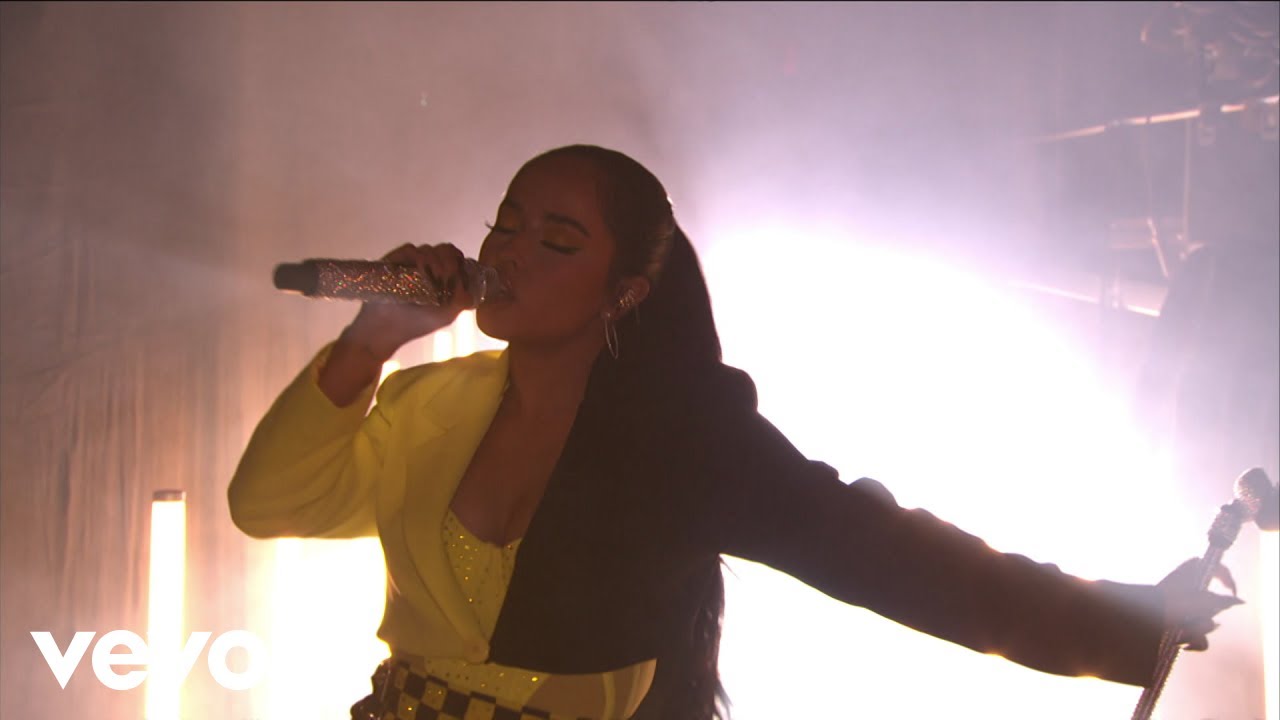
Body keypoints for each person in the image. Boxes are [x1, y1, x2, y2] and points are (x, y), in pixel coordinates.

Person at [228, 144, 1242, 720]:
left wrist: (1129, 623)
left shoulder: (678, 438)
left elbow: (880, 554)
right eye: (506, 222)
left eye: (557, 240)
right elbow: (266, 504)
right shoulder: (427, 404)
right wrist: (370, 342)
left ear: (625, 291)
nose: (509, 252)